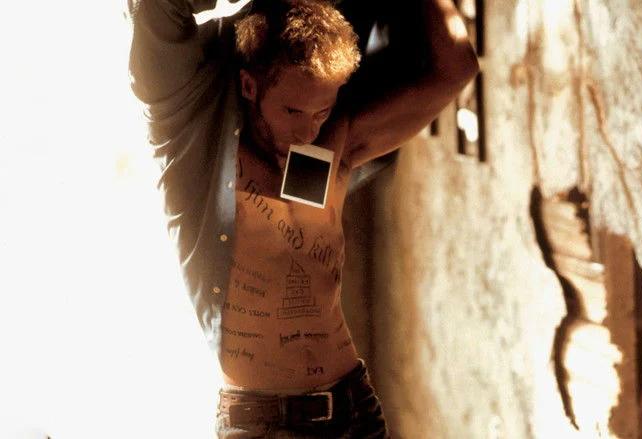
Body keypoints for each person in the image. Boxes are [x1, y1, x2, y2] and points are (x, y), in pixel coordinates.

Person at [127, 0, 478, 436]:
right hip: (262, 424)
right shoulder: (190, 138)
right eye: (292, 111)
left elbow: (456, 70)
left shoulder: (315, 156)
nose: (307, 130)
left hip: (353, 409)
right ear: (249, 86)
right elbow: (156, 9)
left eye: (321, 112)